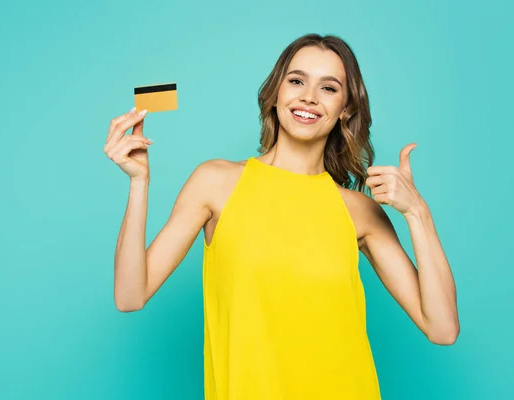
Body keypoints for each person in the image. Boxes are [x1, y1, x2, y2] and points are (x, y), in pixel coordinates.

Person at [104, 33, 460, 400]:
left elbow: (442, 328)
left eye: (329, 88)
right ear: (275, 93)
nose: (309, 96)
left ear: (346, 110)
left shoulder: (359, 210)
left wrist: (418, 213)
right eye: (296, 81)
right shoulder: (215, 182)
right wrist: (139, 183)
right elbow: (130, 295)